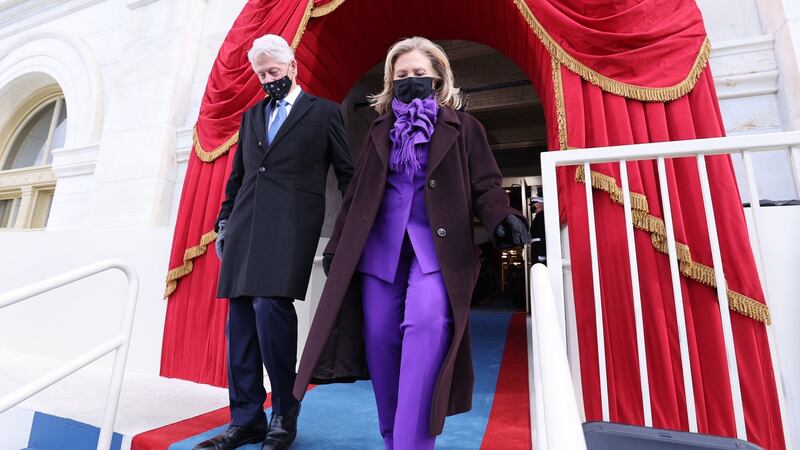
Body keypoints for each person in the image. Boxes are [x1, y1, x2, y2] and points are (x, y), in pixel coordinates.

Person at [293, 36, 528, 450]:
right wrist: (336, 248)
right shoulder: (377, 130)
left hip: (436, 255)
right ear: (390, 81)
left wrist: (503, 217)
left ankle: (411, 445)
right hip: (380, 254)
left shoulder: (465, 127)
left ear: (437, 76)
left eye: (419, 73)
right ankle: (392, 438)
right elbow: (357, 194)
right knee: (381, 342)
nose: (410, 79)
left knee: (425, 327)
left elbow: (486, 186)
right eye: (402, 74)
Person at [193, 34, 354, 450]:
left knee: (270, 310)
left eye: (274, 71)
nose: (267, 79)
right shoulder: (251, 116)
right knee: (241, 323)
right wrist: (224, 221)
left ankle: (284, 411)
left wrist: (352, 231)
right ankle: (246, 419)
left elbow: (348, 175)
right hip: (245, 227)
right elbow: (239, 175)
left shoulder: (325, 113)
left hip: (291, 228)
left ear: (293, 67)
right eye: (261, 73)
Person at [529, 196, 547, 265]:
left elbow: (543, 233)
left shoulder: (542, 216)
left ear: (540, 204)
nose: (532, 206)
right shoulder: (538, 216)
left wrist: (542, 253)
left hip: (539, 249)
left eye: (534, 203)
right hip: (536, 248)